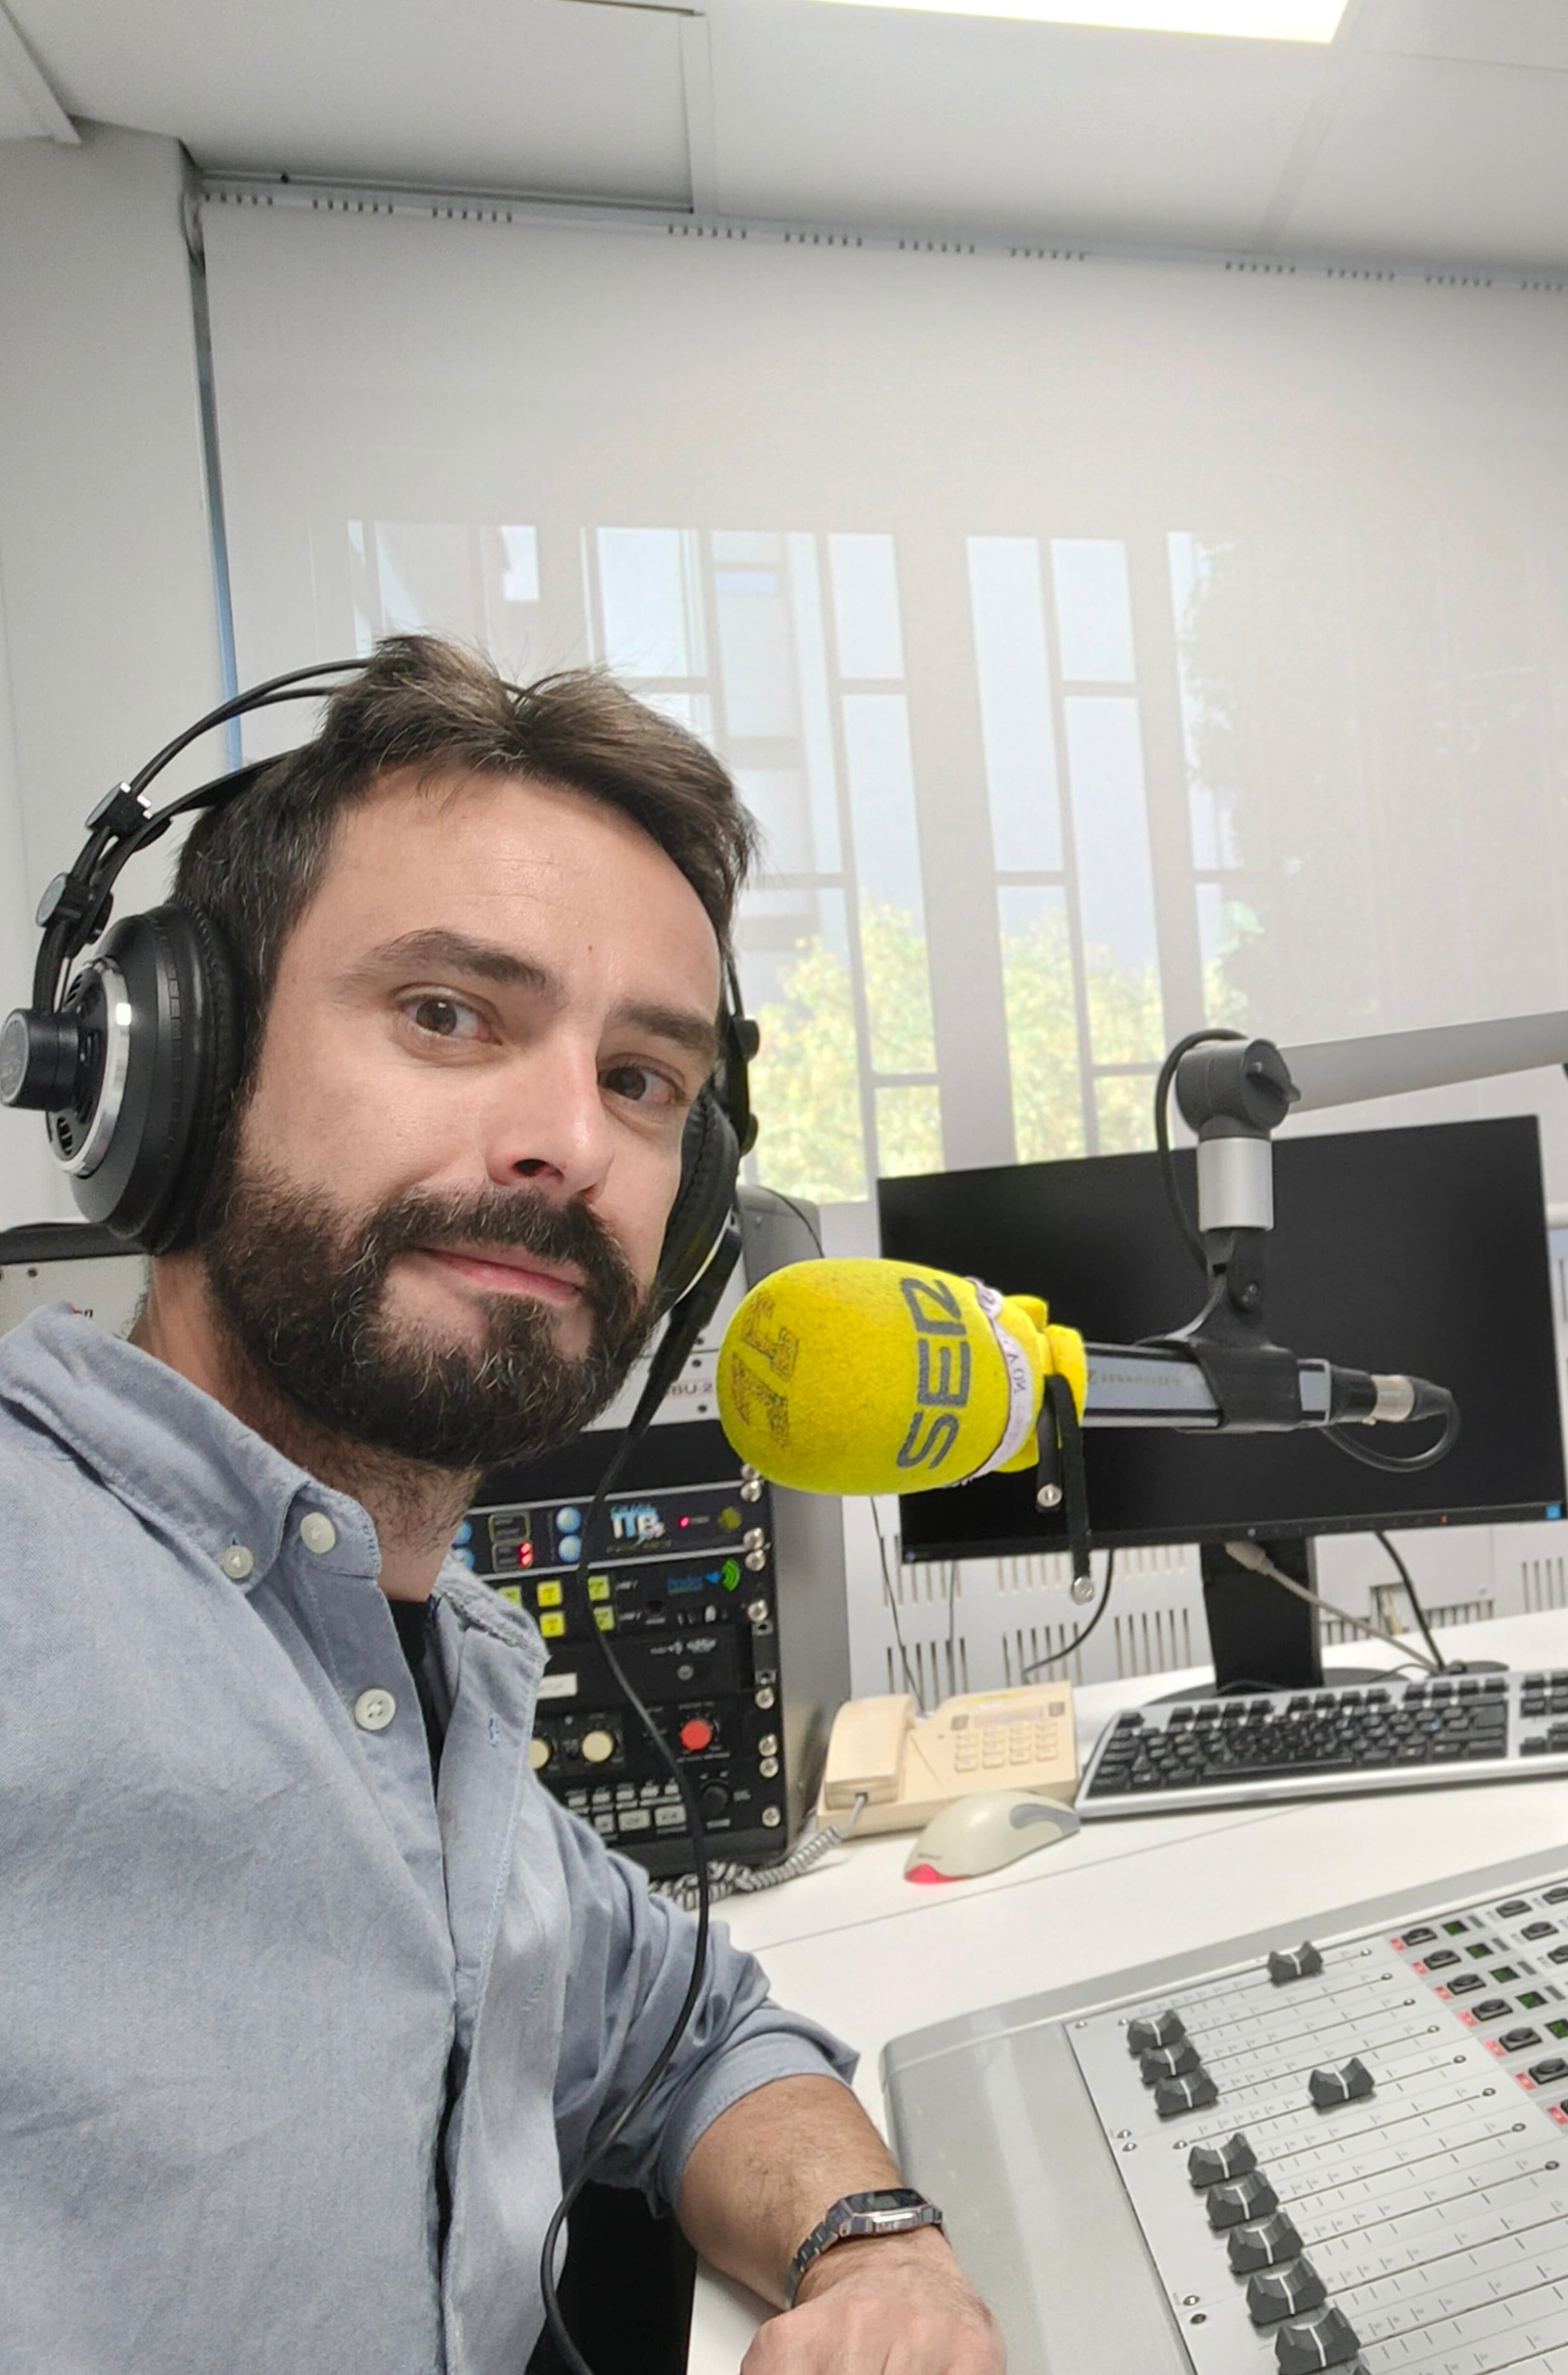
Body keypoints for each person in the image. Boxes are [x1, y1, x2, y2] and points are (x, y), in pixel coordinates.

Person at [0, 640, 1001, 2372]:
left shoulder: (428, 1676)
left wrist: (873, 2249)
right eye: (449, 1013)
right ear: (171, 1066)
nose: (569, 1141)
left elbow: (701, 2034)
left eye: (642, 1079)